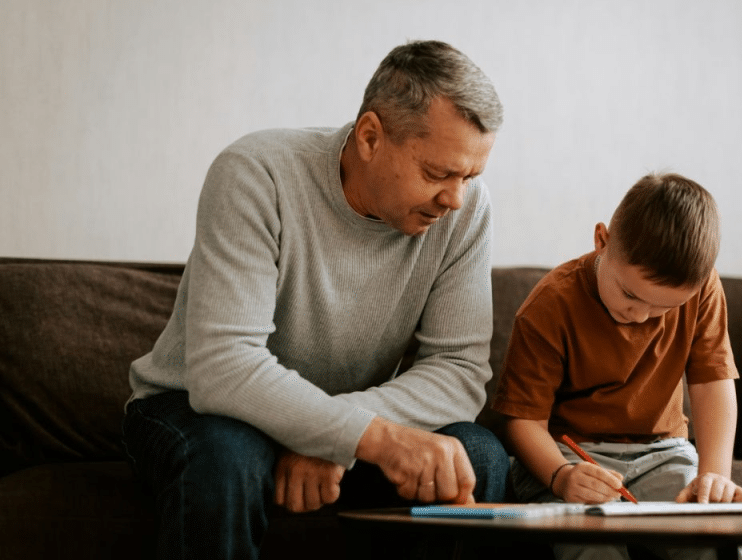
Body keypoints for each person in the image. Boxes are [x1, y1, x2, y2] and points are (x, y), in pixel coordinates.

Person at [123, 40, 509, 560]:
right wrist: (365, 438)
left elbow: (459, 371)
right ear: (371, 136)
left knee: (477, 454)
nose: (455, 198)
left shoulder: (465, 211)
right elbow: (225, 367)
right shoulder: (256, 173)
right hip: (196, 410)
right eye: (437, 173)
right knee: (228, 458)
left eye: (470, 176)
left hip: (347, 415)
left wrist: (338, 436)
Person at [492, 173, 742, 560]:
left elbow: (712, 383)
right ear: (601, 241)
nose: (642, 315)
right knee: (589, 540)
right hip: (570, 457)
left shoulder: (704, 291)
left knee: (719, 532)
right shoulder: (549, 305)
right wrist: (561, 476)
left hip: (664, 453)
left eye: (664, 308)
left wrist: (714, 474)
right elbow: (522, 422)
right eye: (630, 294)